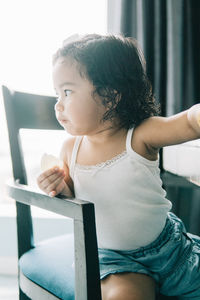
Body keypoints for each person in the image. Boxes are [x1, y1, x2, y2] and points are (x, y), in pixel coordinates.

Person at [37, 34, 200, 300]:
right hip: (112, 258)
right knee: (126, 296)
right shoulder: (70, 149)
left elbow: (189, 124)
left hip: (170, 251)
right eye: (57, 93)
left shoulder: (139, 136)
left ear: (110, 96)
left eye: (67, 91)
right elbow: (73, 196)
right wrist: (58, 187)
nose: (58, 104)